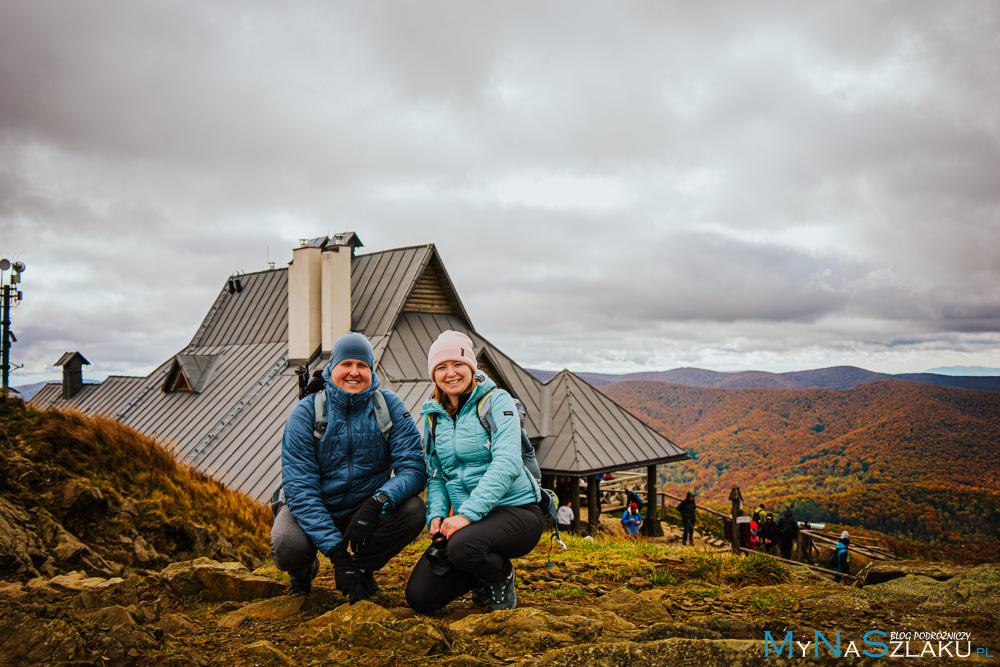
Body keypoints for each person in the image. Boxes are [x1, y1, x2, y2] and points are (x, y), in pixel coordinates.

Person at [270, 333, 428, 602]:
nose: (354, 372)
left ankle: (363, 569)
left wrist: (378, 502)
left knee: (414, 511)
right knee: (288, 545)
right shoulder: (306, 412)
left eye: (362, 365)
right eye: (346, 364)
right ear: (332, 368)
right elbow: (301, 490)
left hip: (364, 507)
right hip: (316, 505)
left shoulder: (388, 406)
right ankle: (302, 574)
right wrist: (338, 556)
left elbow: (413, 468)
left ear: (371, 369)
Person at [405, 331, 544, 613]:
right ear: (434, 375)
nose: (450, 373)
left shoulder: (497, 401)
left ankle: (500, 576)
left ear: (471, 366)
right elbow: (438, 476)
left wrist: (466, 515)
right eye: (441, 367)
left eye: (457, 364)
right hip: (471, 522)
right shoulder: (434, 416)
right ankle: (480, 570)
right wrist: (437, 515)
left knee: (462, 547)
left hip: (517, 511)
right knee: (420, 598)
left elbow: (507, 463)